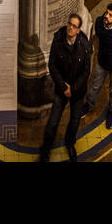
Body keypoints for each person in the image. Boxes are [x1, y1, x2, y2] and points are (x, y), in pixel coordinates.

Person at [40, 14, 92, 162]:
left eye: (74, 26)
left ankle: (70, 143)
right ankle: (45, 150)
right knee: (52, 122)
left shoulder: (84, 45)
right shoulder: (58, 41)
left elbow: (86, 71)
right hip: (61, 89)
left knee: (75, 121)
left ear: (78, 30)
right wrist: (64, 87)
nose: (70, 27)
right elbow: (52, 65)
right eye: (70, 24)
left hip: (77, 91)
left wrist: (73, 89)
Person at [84, 4, 112, 130]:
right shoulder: (99, 22)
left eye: (110, 15)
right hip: (102, 62)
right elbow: (99, 35)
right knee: (95, 85)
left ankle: (111, 110)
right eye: (106, 13)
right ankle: (89, 104)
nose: (106, 16)